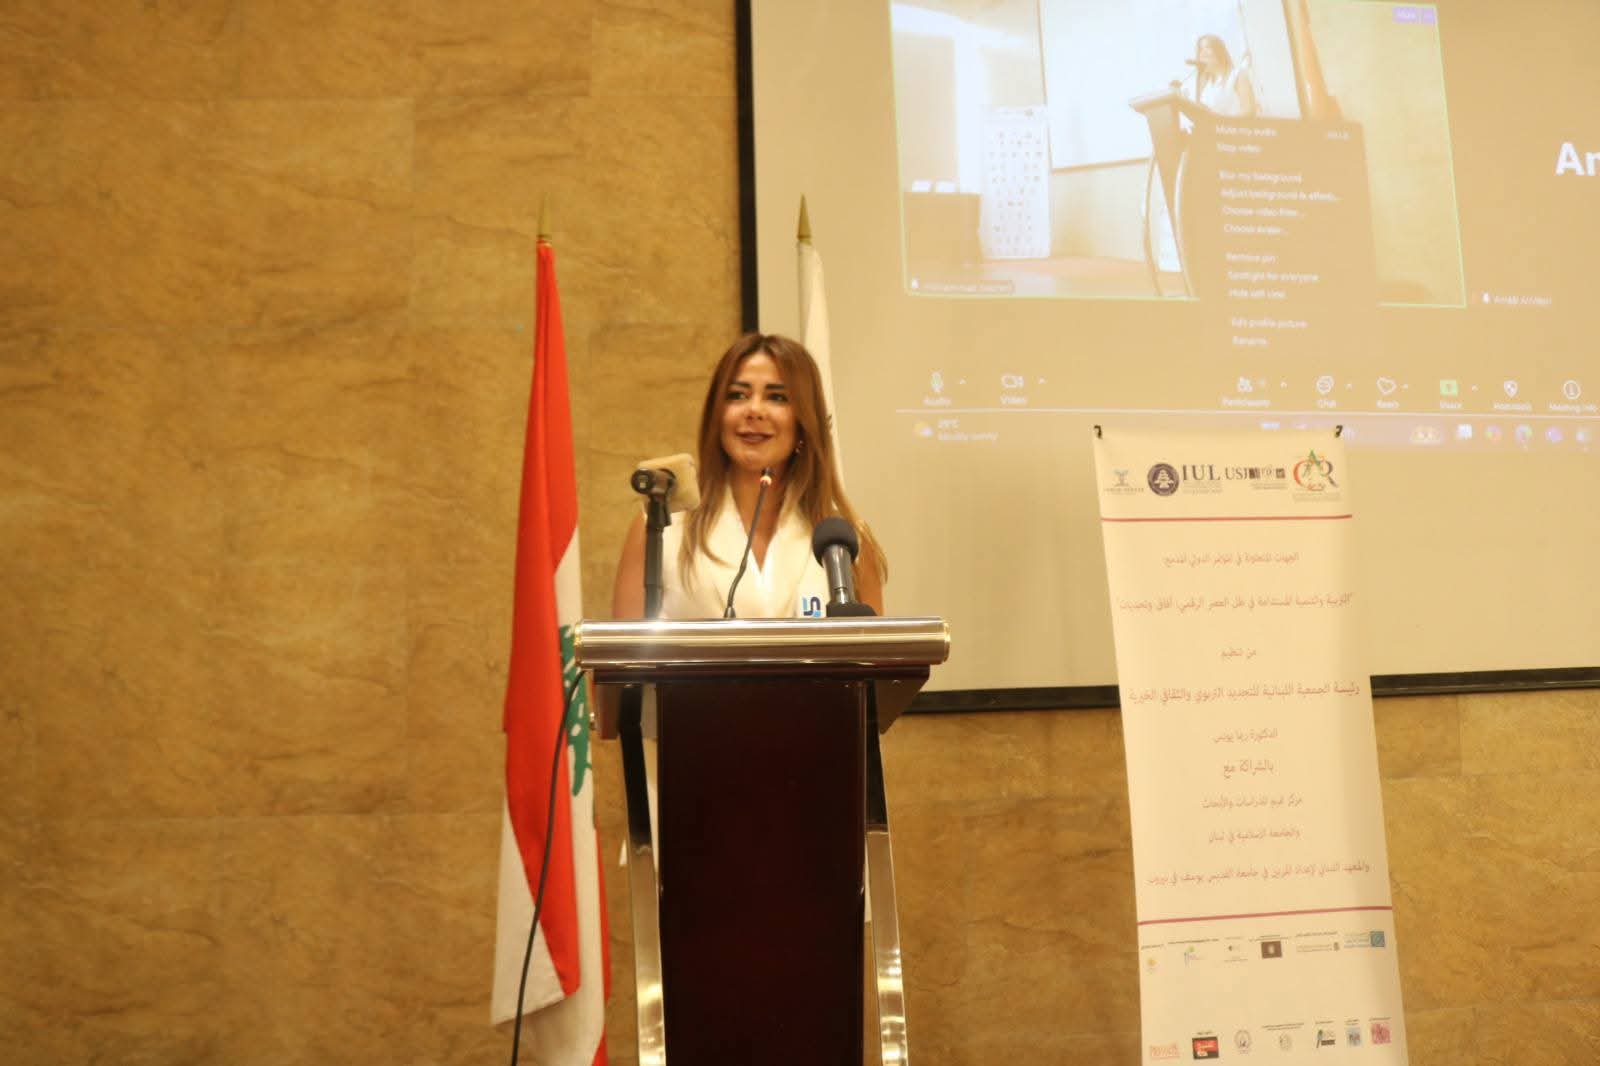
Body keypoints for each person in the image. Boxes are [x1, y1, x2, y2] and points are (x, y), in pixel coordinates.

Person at [611, 332, 886, 620]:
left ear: (804, 420)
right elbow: (622, 648)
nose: (754, 410)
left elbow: (876, 647)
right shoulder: (660, 527)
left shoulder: (845, 543)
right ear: (717, 415)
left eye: (777, 397)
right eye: (737, 395)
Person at [1188, 34, 1258, 117]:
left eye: (1208, 47)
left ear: (1219, 51)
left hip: (1232, 125)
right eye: (1201, 49)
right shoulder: (1206, 85)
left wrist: (1219, 119)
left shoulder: (1236, 75)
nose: (1203, 53)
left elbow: (1249, 111)